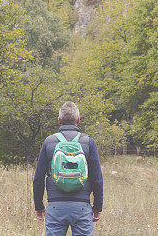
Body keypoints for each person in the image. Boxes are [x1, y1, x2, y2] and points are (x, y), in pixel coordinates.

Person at [33, 101, 103, 236]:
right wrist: (97, 207)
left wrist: (39, 207)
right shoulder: (88, 142)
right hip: (82, 207)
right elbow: (97, 178)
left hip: (55, 206)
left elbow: (38, 178)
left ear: (59, 120)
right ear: (78, 119)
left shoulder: (49, 142)